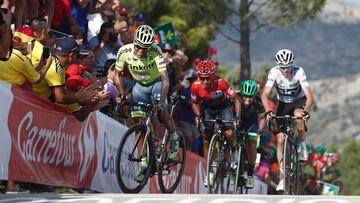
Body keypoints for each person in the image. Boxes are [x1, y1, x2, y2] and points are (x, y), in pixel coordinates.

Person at [114, 24, 180, 182]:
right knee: (139, 125)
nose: (141, 51)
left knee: (162, 113)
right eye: (138, 46)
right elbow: (117, 75)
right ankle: (144, 164)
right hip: (139, 87)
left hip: (156, 84)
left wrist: (162, 100)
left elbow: (165, 78)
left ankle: (174, 138)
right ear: (134, 42)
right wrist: (122, 93)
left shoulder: (156, 51)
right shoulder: (124, 51)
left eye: (145, 48)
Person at [261, 49, 314, 191]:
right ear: (278, 65)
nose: (285, 70)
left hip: (298, 101)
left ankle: (302, 145)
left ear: (292, 64)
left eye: (288, 67)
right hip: (283, 104)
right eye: (282, 67)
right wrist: (268, 110)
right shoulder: (274, 72)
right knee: (280, 140)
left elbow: (309, 95)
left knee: (298, 117)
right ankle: (284, 177)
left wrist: (306, 112)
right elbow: (265, 94)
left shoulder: (299, 71)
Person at [190, 60, 241, 187]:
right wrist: (198, 116)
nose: (205, 81)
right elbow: (194, 102)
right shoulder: (195, 85)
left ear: (213, 76)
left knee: (229, 132)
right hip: (208, 108)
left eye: (208, 78)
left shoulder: (221, 83)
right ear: (198, 77)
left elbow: (236, 99)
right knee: (206, 138)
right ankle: (210, 172)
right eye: (202, 78)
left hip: (224, 107)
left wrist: (237, 117)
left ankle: (234, 151)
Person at [236, 79, 266, 188]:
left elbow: (263, 117)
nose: (247, 99)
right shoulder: (236, 96)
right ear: (242, 94)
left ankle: (249, 175)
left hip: (252, 122)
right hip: (239, 120)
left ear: (254, 96)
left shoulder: (258, 102)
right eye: (245, 96)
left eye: (250, 97)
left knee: (252, 145)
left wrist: (259, 130)